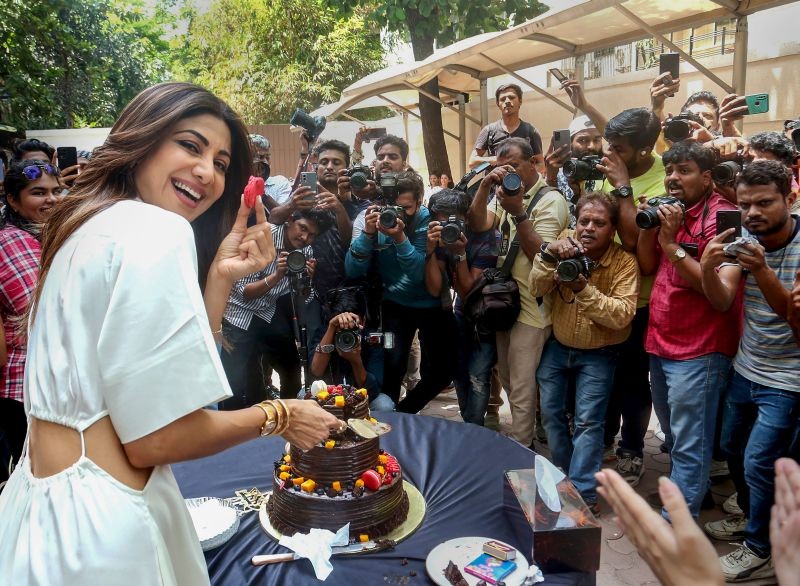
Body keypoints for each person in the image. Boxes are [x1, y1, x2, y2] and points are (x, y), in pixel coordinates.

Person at [0, 82, 340, 584]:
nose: (206, 171)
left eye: (222, 163)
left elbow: (161, 377)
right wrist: (280, 413)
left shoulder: (81, 224)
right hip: (107, 531)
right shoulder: (156, 230)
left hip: (40, 509)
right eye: (190, 145)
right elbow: (156, 438)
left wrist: (220, 278)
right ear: (143, 139)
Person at [700, 160, 799, 582]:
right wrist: (706, 265)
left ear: (790, 198)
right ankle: (751, 515)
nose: (753, 213)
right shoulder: (744, 236)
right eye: (744, 205)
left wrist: (761, 268)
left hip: (790, 378)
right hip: (748, 366)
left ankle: (762, 546)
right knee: (732, 448)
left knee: (761, 460)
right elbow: (722, 300)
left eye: (764, 203)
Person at [637, 141, 741, 519]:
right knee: (675, 435)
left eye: (684, 170)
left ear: (707, 176)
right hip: (662, 340)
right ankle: (692, 498)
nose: (673, 178)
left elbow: (722, 294)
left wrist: (671, 243)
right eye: (670, 171)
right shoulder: (670, 211)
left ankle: (679, 524)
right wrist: (654, 230)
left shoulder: (724, 219)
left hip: (700, 347)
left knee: (689, 441)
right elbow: (648, 266)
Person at [532, 192, 639, 509]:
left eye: (599, 223)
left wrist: (582, 287)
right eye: (583, 221)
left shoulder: (624, 262)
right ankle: (566, 476)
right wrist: (550, 256)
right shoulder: (563, 245)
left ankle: (584, 494)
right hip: (558, 345)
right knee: (550, 416)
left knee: (589, 422)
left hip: (599, 352)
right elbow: (536, 286)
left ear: (614, 229)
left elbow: (620, 315)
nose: (589, 228)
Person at [467, 137, 569, 448]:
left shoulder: (551, 200)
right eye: (501, 167)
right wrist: (485, 188)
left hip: (533, 308)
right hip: (505, 303)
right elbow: (478, 223)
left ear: (534, 163)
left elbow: (544, 254)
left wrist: (520, 212)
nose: (507, 172)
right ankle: (526, 442)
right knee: (510, 381)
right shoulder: (503, 194)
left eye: (513, 165)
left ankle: (521, 455)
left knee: (523, 390)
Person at [345, 170, 454, 413]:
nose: (397, 215)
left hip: (431, 306)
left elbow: (416, 275)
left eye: (406, 208)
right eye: (393, 207)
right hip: (394, 307)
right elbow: (352, 269)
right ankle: (391, 423)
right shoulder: (372, 218)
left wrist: (399, 236)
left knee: (441, 373)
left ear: (418, 202)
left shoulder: (425, 219)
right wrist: (368, 234)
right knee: (393, 368)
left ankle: (404, 414)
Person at [221, 208, 333, 404]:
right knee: (234, 381)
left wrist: (307, 281)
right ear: (290, 219)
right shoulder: (262, 238)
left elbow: (303, 299)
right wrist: (276, 276)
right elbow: (244, 292)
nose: (305, 237)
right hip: (238, 312)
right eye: (302, 228)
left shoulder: (305, 251)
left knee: (291, 365)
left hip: (267, 310)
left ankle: (288, 415)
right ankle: (238, 425)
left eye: (312, 235)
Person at [0, 160, 63, 477]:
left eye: (56, 191)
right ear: (12, 199)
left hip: (45, 378)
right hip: (27, 384)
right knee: (41, 479)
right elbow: (40, 309)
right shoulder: (12, 241)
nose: (51, 199)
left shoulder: (44, 235)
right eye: (38, 193)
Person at [424, 189, 498, 426]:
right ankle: (469, 424)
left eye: (452, 218)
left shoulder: (488, 239)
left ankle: (474, 427)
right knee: (459, 372)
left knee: (478, 375)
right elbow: (435, 288)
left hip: (485, 316)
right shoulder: (437, 239)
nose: (447, 225)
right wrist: (430, 250)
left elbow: (467, 291)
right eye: (440, 218)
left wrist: (460, 254)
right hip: (459, 314)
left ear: (465, 217)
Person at [309, 286, 394, 410]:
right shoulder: (324, 333)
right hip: (327, 398)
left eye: (353, 325)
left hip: (362, 400)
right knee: (302, 396)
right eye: (341, 326)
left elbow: (373, 391)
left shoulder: (370, 339)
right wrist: (332, 328)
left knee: (384, 404)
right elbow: (316, 371)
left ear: (363, 321)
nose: (346, 331)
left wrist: (355, 360)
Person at [544, 114, 604, 227]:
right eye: (583, 140)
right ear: (570, 144)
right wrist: (551, 178)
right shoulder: (559, 174)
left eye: (597, 140)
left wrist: (580, 194)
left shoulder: (608, 172)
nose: (591, 146)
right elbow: (549, 214)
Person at [469, 83, 544, 171]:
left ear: (520, 101)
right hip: (495, 183)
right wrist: (497, 159)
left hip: (523, 184)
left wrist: (524, 171)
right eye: (502, 99)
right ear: (498, 104)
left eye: (511, 97)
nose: (507, 101)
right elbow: (472, 162)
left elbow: (541, 165)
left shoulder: (531, 131)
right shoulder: (489, 130)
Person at [249, 134, 292, 208]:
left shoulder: (280, 182)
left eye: (267, 157)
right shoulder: (237, 184)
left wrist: (261, 192)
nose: (265, 161)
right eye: (260, 157)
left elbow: (284, 215)